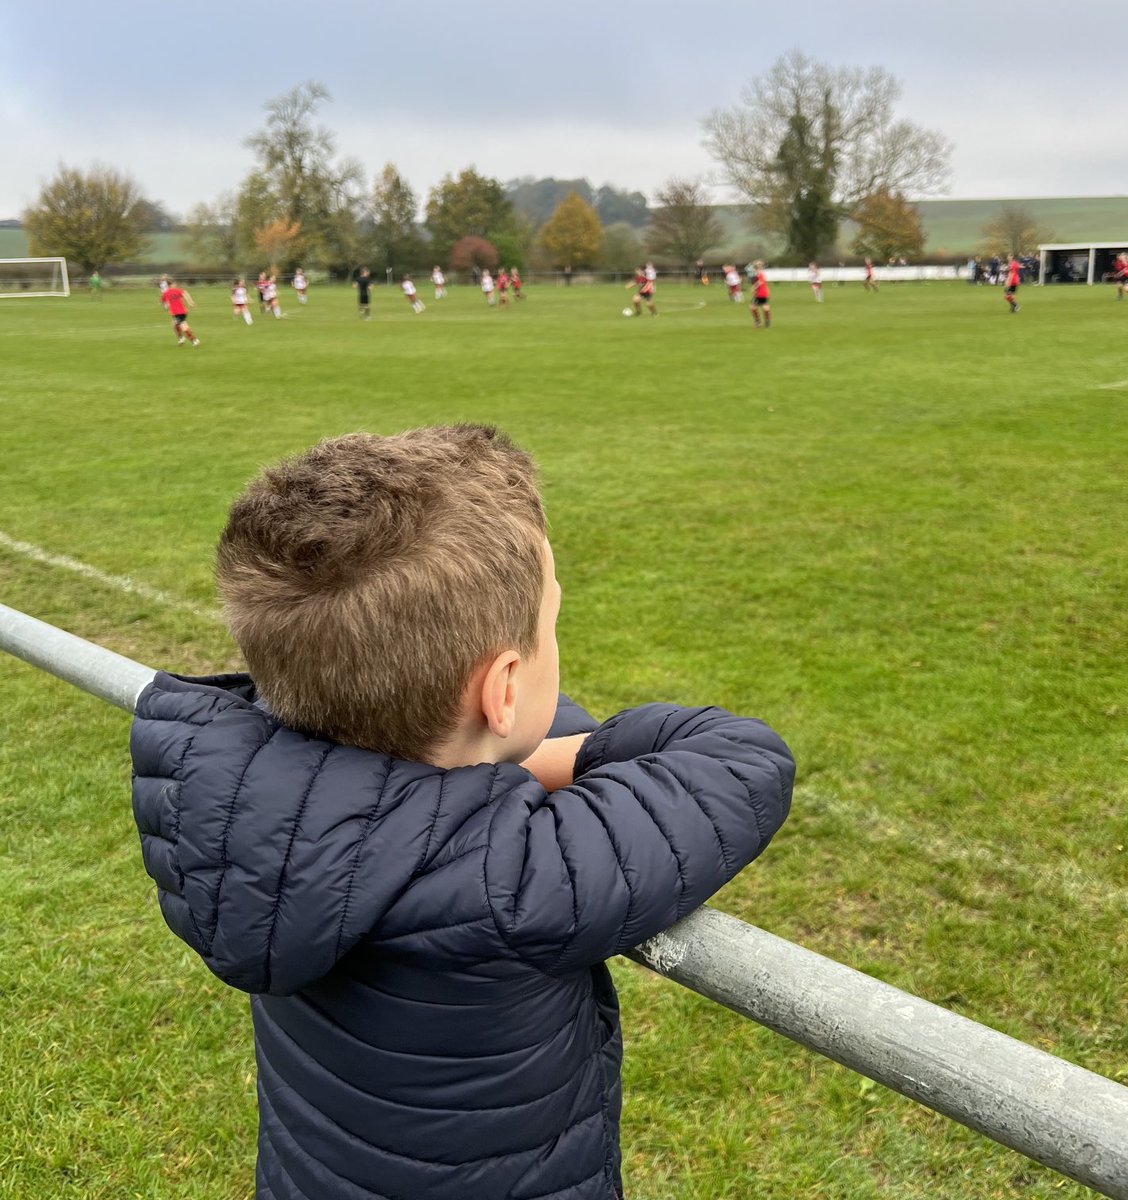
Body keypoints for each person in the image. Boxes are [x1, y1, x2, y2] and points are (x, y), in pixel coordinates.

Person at [129, 424, 794, 1200]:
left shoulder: (250, 806)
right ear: (503, 691)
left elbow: (486, 743)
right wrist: (561, 757)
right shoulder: (512, 879)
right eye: (550, 624)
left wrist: (519, 746)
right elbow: (740, 760)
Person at [160, 276, 199, 346]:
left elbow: (163, 302)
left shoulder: (166, 293)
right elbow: (186, 294)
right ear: (171, 284)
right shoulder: (176, 290)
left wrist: (165, 306)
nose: (175, 285)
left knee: (183, 326)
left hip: (178, 313)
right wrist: (190, 302)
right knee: (174, 324)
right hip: (180, 312)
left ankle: (194, 340)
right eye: (174, 284)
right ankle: (182, 338)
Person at [750, 260, 771, 327]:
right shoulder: (761, 273)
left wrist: (754, 287)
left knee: (753, 307)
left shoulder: (760, 273)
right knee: (765, 306)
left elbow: (760, 282)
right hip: (764, 292)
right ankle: (767, 321)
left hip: (760, 293)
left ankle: (758, 322)